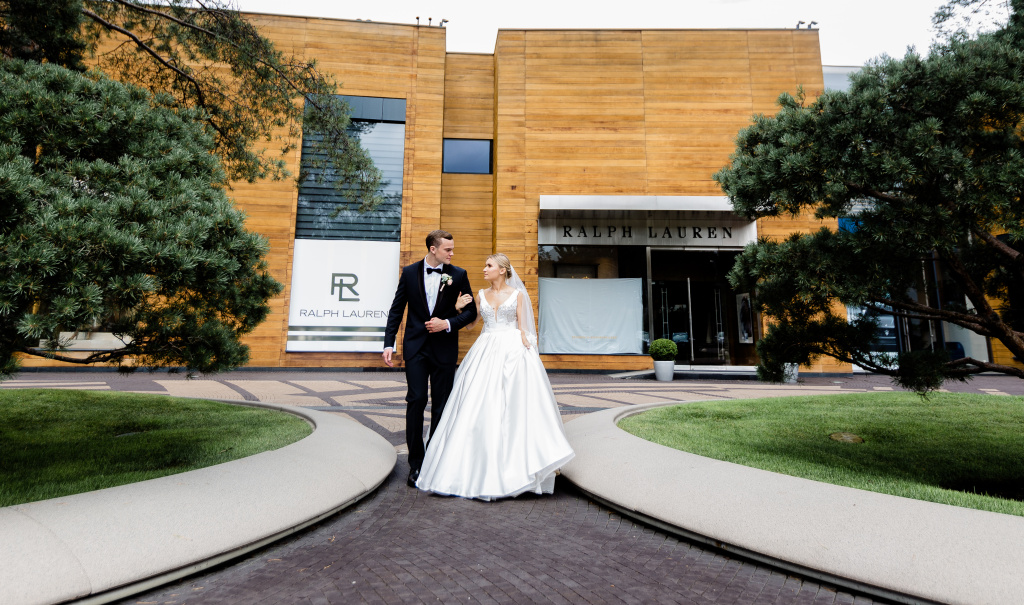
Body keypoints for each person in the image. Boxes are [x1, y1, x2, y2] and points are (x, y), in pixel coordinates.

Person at [415, 253, 575, 500]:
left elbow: (523, 327)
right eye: (485, 265)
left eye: (489, 265)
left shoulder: (517, 294)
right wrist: (457, 309)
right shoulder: (480, 295)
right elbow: (472, 325)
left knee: (515, 407)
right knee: (478, 404)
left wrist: (526, 345)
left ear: (502, 270)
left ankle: (524, 467)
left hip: (512, 350)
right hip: (485, 349)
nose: (484, 269)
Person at [383, 230, 477, 488]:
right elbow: (396, 309)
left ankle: (435, 460)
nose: (452, 253)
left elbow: (471, 313)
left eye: (452, 249)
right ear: (433, 249)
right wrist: (389, 343)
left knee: (441, 405)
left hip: (444, 349)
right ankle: (416, 463)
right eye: (448, 249)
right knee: (416, 400)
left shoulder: (458, 275)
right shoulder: (409, 272)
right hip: (416, 347)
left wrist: (447, 323)